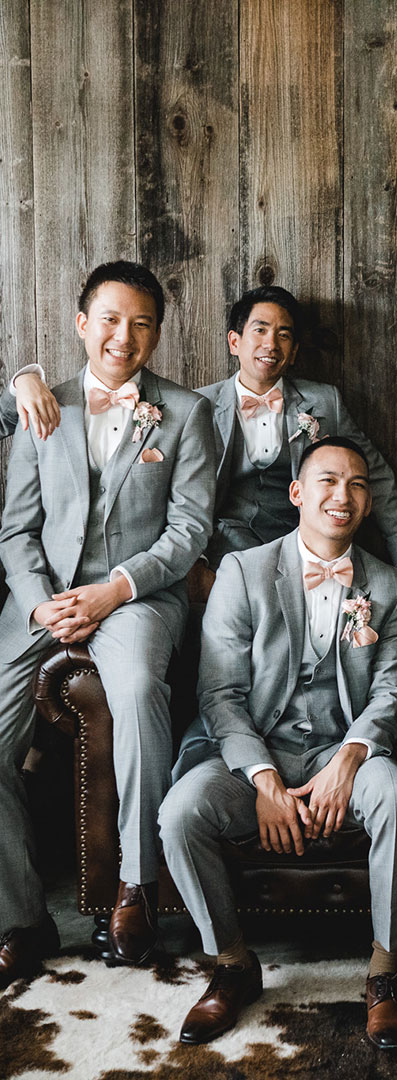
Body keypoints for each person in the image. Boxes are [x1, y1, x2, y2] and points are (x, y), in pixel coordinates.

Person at [159, 436, 397, 1048]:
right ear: (298, 493)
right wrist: (263, 780)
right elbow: (219, 694)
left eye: (358, 484)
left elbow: (393, 694)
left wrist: (351, 759)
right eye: (328, 481)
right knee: (180, 814)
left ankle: (385, 974)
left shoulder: (392, 588)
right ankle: (231, 963)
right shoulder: (243, 571)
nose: (343, 495)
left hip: (345, 746)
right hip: (254, 748)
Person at [0, 261, 215, 985]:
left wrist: (114, 590)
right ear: (83, 323)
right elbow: (17, 531)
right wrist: (37, 601)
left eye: (143, 323)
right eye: (111, 319)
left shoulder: (186, 414)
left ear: (157, 332)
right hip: (42, 600)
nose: (125, 337)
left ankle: (136, 884)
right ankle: (21, 920)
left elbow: (188, 532)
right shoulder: (43, 406)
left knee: (136, 696)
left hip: (139, 596)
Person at [188, 285, 397, 603]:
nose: (271, 344)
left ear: (294, 351)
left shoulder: (325, 402)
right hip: (224, 548)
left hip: (303, 546)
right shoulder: (199, 406)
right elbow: (180, 494)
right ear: (235, 342)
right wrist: (196, 565)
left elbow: (374, 475)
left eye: (284, 335)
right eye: (260, 330)